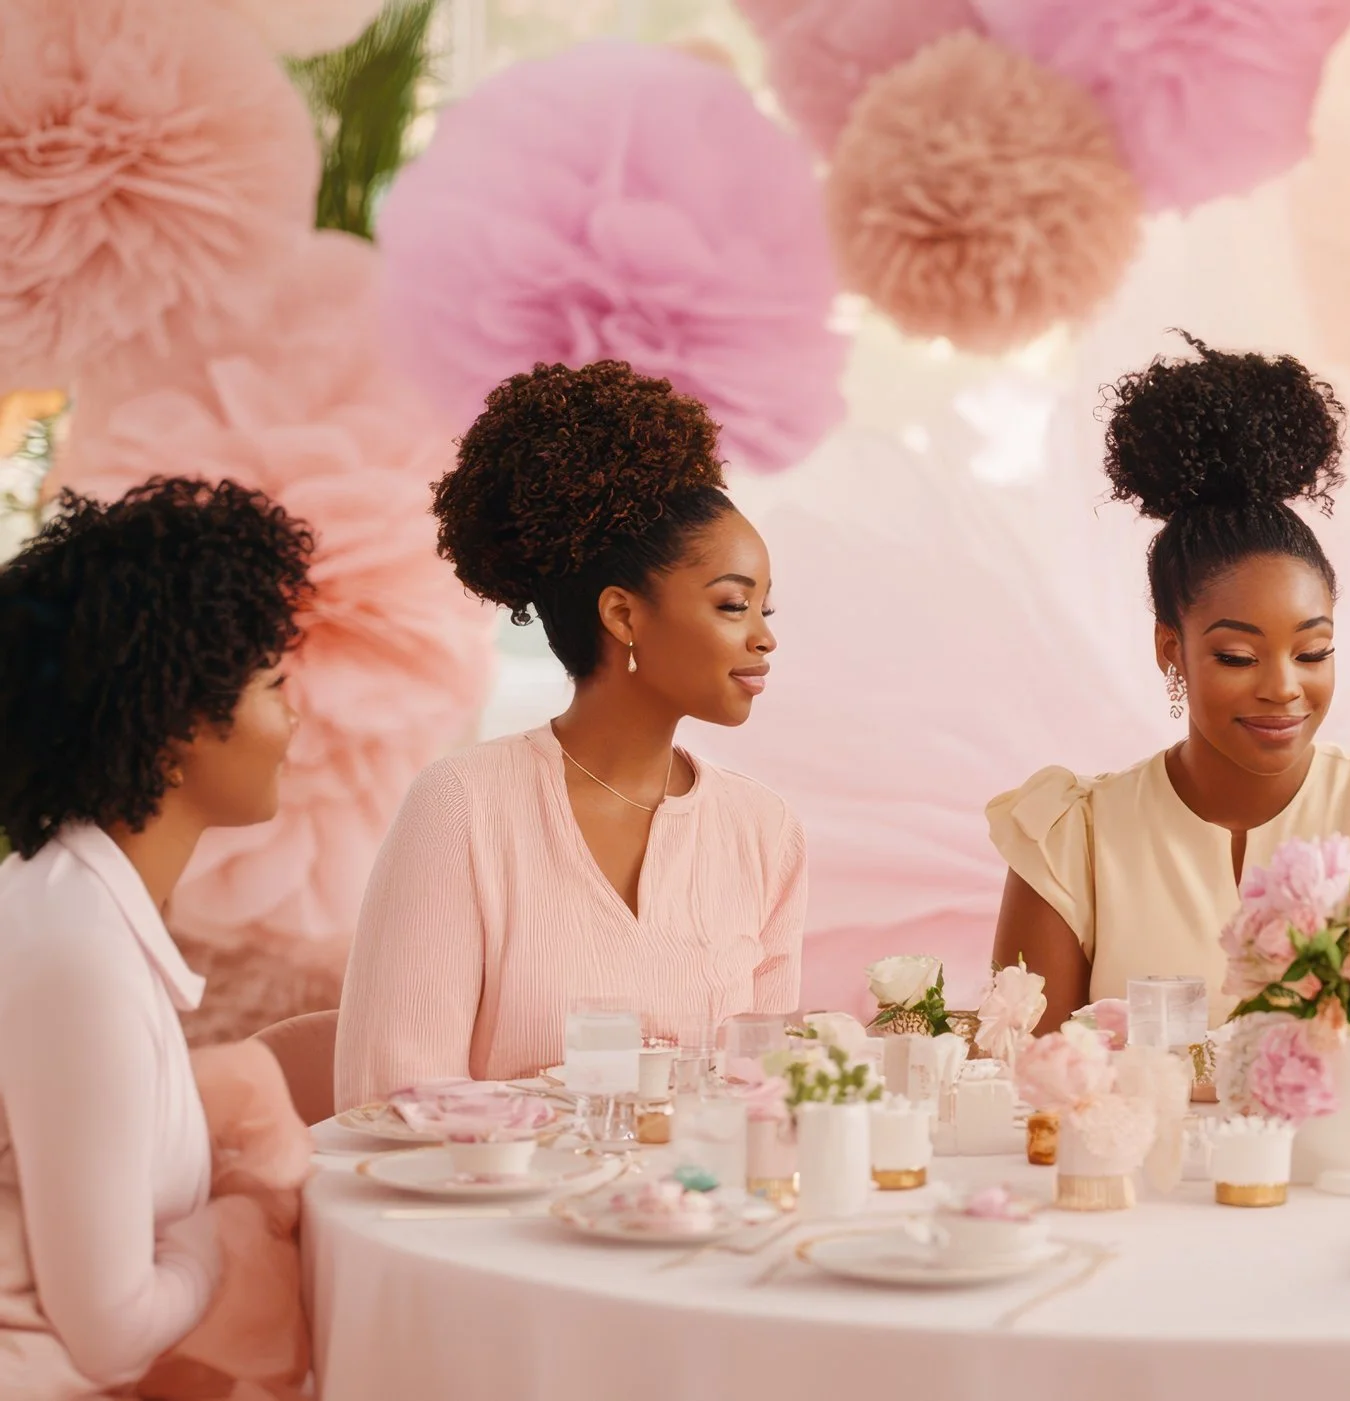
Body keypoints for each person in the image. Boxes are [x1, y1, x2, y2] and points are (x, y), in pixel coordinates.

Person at [988, 336, 1350, 1031]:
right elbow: (1029, 1096)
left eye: (1313, 650)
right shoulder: (1072, 837)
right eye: (1238, 656)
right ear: (1171, 649)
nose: (1283, 688)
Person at [335, 361, 804, 1110]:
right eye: (731, 606)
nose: (762, 640)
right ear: (623, 615)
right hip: (497, 1223)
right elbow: (394, 1103)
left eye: (764, 613)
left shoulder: (764, 831)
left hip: (703, 1221)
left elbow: (769, 1099)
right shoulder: (462, 807)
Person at [0, 478, 312, 1395]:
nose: (295, 718)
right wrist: (227, 1228)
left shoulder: (70, 897)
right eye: (274, 683)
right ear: (181, 724)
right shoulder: (74, 946)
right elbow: (110, 1334)